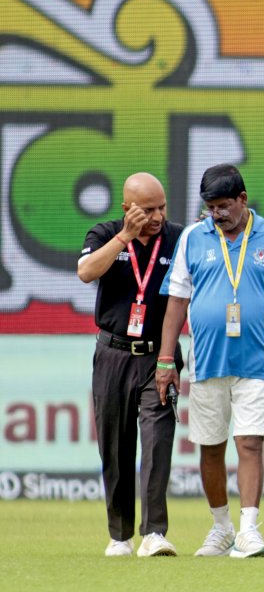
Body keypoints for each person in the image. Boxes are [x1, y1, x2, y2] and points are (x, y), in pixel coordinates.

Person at [155, 163, 264, 559]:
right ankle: (221, 528)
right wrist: (166, 360)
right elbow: (176, 303)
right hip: (205, 362)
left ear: (243, 200)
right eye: (210, 208)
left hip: (256, 361)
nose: (216, 214)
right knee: (210, 446)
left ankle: (249, 530)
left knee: (251, 443)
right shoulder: (192, 237)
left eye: (223, 206)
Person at [78, 172, 183, 558]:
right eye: (147, 209)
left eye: (162, 207)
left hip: (160, 354)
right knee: (115, 443)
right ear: (127, 208)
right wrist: (123, 237)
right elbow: (86, 272)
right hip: (113, 352)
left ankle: (154, 532)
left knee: (158, 441)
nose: (156, 217)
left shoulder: (178, 238)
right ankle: (119, 536)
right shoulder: (104, 232)